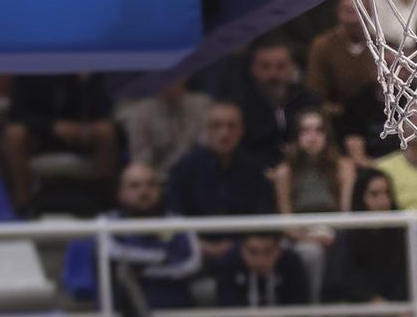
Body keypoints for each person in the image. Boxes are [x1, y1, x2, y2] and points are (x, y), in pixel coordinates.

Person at [102, 162, 223, 317]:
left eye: (150, 185)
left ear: (159, 191)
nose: (144, 191)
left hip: (176, 316)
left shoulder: (176, 222)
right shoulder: (106, 224)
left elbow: (191, 262)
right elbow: (113, 253)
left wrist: (139, 266)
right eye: (135, 186)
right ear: (121, 193)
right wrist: (164, 258)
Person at [325, 171, 412, 317]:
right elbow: (342, 282)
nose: (382, 201)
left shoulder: (398, 234)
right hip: (352, 316)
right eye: (374, 194)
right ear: (361, 198)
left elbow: (405, 280)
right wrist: (377, 302)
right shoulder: (348, 236)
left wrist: (398, 307)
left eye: (386, 194)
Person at [166, 100, 276, 262]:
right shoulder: (184, 168)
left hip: (247, 253)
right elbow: (174, 218)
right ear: (206, 130)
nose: (224, 133)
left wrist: (241, 246)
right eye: (216, 126)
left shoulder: (254, 169)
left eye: (232, 126)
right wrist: (205, 247)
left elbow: (264, 216)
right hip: (197, 251)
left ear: (241, 131)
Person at [1, 74, 118, 212]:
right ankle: (23, 206)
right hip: (39, 136)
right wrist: (51, 126)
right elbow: (17, 113)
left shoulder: (86, 69)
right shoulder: (28, 71)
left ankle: (104, 203)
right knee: (14, 134)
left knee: (105, 131)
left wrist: (84, 83)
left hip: (80, 131)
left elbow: (102, 110)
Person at [271, 109, 354, 300]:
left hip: (333, 231)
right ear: (296, 136)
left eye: (319, 130)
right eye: (305, 131)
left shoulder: (343, 167)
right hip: (299, 235)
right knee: (310, 253)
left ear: (327, 135)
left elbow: (346, 214)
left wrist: (328, 233)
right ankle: (311, 311)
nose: (312, 137)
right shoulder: (285, 172)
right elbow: (286, 222)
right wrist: (307, 237)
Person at [233, 38, 323, 169]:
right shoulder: (241, 107)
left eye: (280, 66)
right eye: (265, 66)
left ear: (292, 68)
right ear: (254, 69)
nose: (273, 74)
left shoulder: (309, 101)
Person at [117, 81, 212, 174]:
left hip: (193, 177)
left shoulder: (202, 105)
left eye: (175, 75)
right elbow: (140, 159)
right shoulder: (141, 113)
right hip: (155, 179)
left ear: (185, 77)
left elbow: (205, 147)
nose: (170, 82)